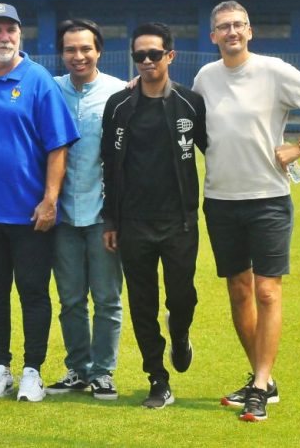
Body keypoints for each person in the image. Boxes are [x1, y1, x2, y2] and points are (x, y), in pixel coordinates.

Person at [193, 0, 300, 422]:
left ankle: (259, 388)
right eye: (224, 27)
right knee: (239, 291)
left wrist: (299, 146)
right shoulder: (206, 77)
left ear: (250, 31)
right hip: (221, 201)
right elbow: (198, 128)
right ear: (213, 36)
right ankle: (264, 378)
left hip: (268, 200)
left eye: (239, 25)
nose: (232, 32)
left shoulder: (273, 70)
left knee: (267, 291)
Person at [0, 3, 79, 402]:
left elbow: (58, 146)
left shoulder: (38, 80)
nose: (4, 36)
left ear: (19, 35)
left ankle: (32, 370)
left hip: (31, 214)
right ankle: (0, 368)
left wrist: (50, 199)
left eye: (10, 30)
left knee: (33, 292)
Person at [101, 22, 206, 409]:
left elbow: (216, 150)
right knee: (142, 303)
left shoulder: (191, 103)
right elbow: (109, 166)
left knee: (182, 297)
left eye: (154, 54)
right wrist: (111, 221)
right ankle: (157, 380)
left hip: (179, 222)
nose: (147, 61)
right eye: (139, 55)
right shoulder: (119, 106)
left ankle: (180, 335)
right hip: (133, 223)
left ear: (170, 56)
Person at [45, 19, 125, 401]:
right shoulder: (49, 90)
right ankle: (78, 369)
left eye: (85, 49)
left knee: (107, 298)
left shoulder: (119, 92)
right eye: (70, 49)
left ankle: (104, 371)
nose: (78, 56)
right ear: (61, 53)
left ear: (99, 51)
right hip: (61, 215)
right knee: (71, 299)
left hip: (103, 215)